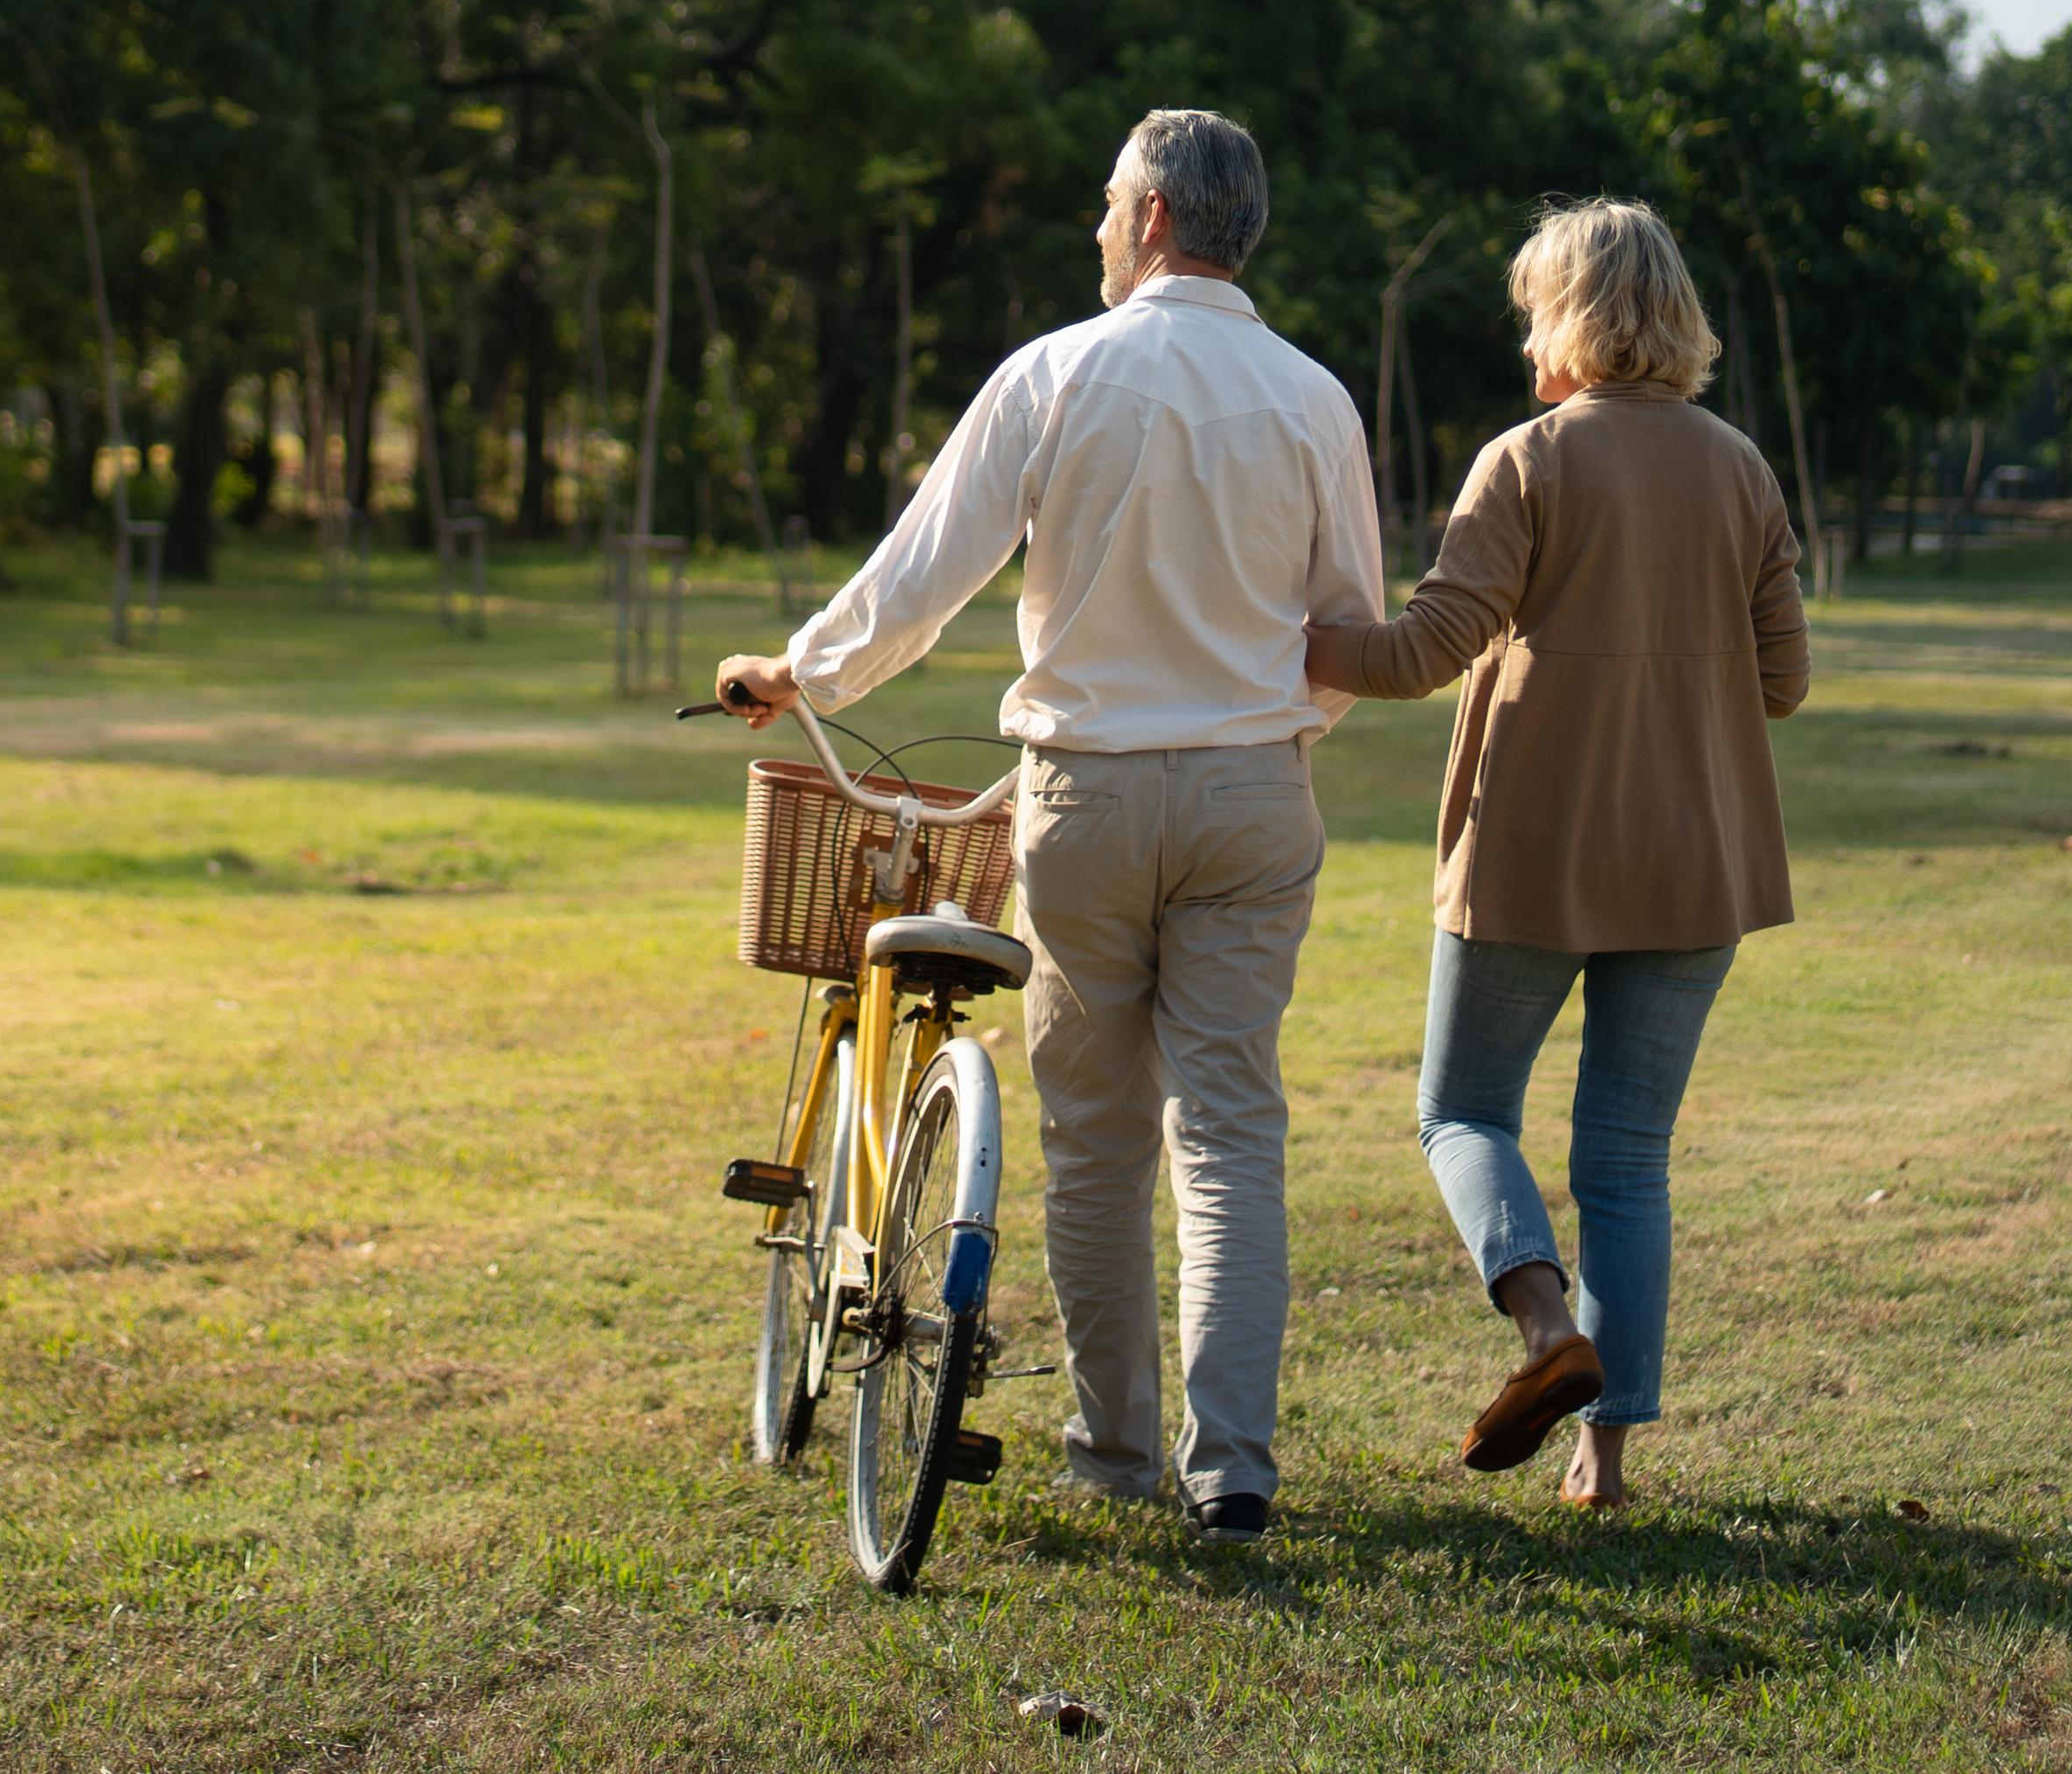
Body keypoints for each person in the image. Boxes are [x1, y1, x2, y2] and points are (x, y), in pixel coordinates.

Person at [717, 108, 1382, 1543]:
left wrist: (802, 673)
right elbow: (1348, 636)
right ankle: (1236, 1471)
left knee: (1095, 1140)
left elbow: (922, 576)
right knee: (1230, 1130)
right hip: (1255, 793)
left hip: (1084, 798)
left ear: (1150, 218)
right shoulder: (1317, 397)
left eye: (1103, 206)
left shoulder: (1058, 373)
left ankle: (1115, 1450)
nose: (1094, 228)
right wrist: (1266, 731)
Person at [1305, 198, 1808, 1510]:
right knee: (1628, 1159)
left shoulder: (1525, 462)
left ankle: (1544, 1334)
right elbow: (1787, 682)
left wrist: (1292, 639)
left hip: (1532, 853)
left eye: (1534, 308)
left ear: (1574, 320)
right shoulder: (1745, 469)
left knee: (1461, 1110)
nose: (1523, 334)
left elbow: (1421, 652)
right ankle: (1604, 1463)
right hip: (1696, 862)